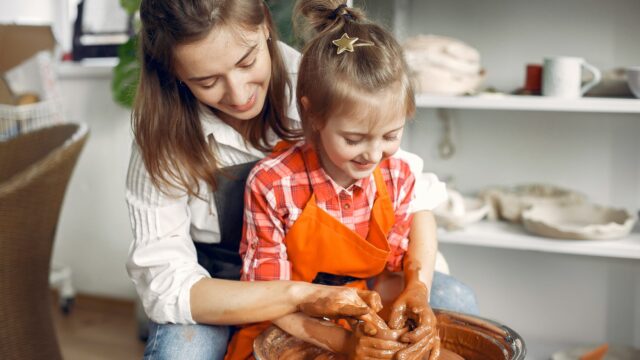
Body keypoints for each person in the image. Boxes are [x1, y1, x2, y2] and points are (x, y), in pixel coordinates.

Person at [126, 0, 478, 359]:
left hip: (343, 279)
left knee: (455, 302)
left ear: (265, 24)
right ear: (175, 73)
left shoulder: (323, 78)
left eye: (247, 62)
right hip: (221, 287)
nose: (238, 93)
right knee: (181, 354)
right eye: (208, 81)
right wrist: (303, 301)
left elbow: (407, 190)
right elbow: (164, 281)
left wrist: (416, 283)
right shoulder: (163, 133)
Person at [226, 2, 445, 359]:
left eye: (391, 135)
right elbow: (267, 296)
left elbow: (392, 273)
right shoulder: (273, 182)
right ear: (312, 113)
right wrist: (341, 343)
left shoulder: (397, 175)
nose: (373, 154)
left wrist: (416, 290)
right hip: (286, 318)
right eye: (354, 139)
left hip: (359, 310)